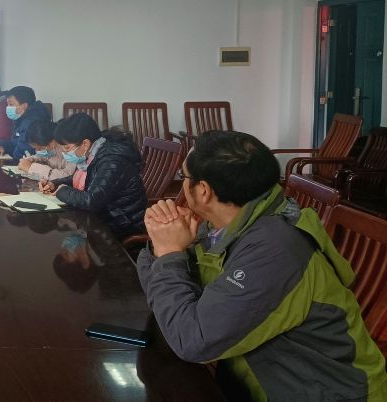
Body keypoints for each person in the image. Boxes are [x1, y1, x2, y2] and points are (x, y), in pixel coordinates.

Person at [137, 130, 387, 401]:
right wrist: (162, 245)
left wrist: (169, 254)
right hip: (257, 381)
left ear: (204, 191)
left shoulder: (275, 249)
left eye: (183, 176)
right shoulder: (224, 226)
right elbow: (163, 300)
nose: (182, 184)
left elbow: (193, 340)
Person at [40, 113, 146, 238]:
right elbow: (84, 178)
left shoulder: (112, 161)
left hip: (121, 224)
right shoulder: (93, 153)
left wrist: (62, 191)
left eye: (67, 148)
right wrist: (54, 184)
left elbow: (92, 201)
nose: (64, 154)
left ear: (85, 144)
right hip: (104, 216)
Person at [0, 85, 50, 159]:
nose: (8, 107)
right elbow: (15, 143)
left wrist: (8, 156)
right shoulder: (21, 119)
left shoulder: (32, 123)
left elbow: (22, 153)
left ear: (24, 106)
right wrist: (2, 146)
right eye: (7, 104)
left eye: (11, 104)